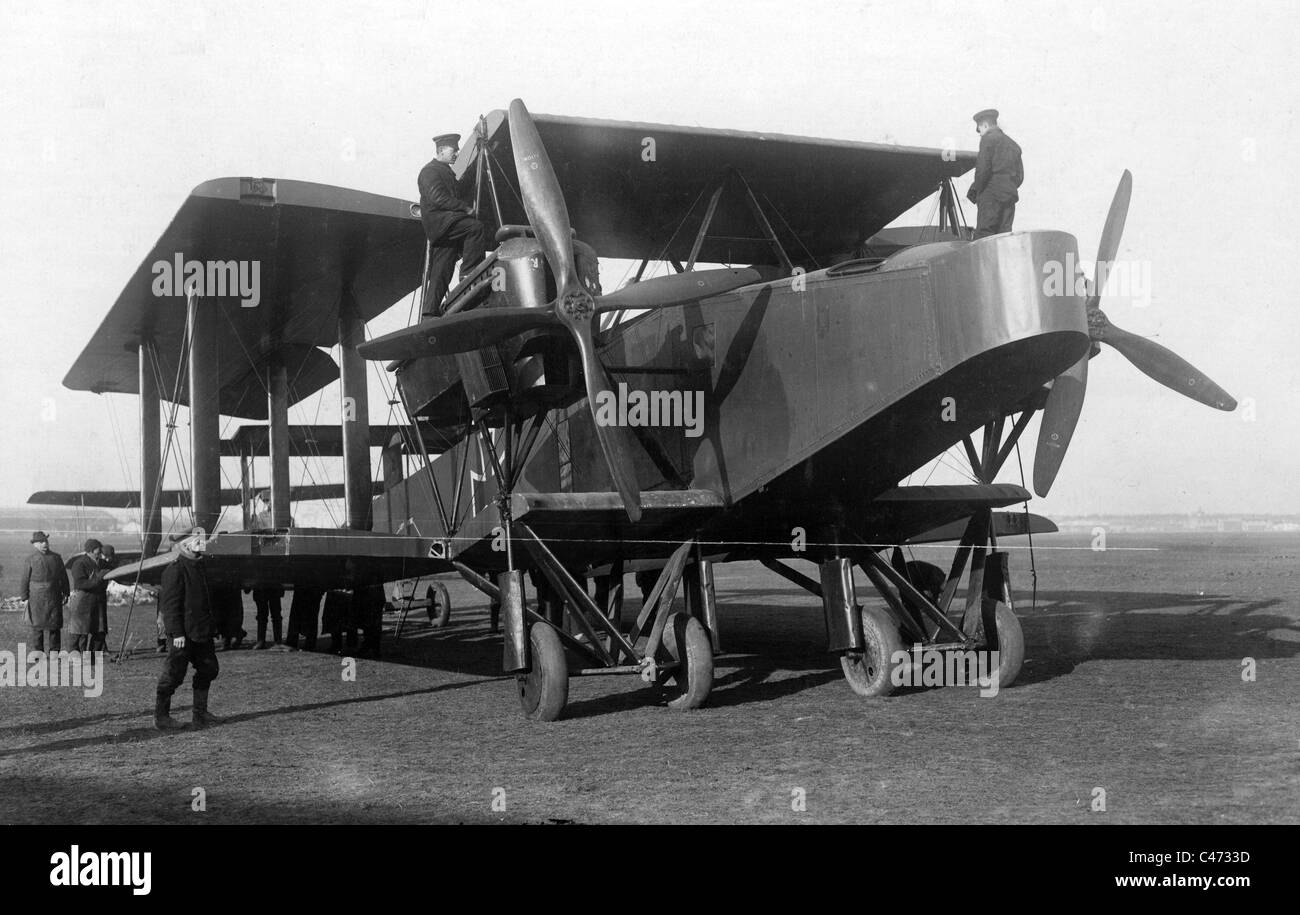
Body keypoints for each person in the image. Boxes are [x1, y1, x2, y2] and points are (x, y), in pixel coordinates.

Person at [155, 528, 222, 730]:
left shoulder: (201, 567)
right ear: (185, 544)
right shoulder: (175, 570)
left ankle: (200, 714)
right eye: (197, 541)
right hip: (182, 635)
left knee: (209, 669)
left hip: (201, 632)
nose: (201, 544)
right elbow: (170, 606)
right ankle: (161, 717)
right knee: (173, 674)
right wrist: (177, 633)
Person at [418, 132, 488, 315]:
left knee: (442, 270)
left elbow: (455, 190)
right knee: (475, 228)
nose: (456, 152)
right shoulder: (430, 171)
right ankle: (469, 275)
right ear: (441, 151)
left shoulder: (444, 172)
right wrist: (465, 209)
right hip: (442, 223)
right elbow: (438, 198)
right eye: (453, 150)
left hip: (442, 226)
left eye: (457, 149)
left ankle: (429, 313)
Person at [966, 109, 1023, 239]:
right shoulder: (1014, 145)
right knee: (1004, 237)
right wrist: (1007, 185)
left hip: (990, 196)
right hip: (1009, 195)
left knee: (985, 235)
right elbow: (1020, 177)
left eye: (979, 130)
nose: (980, 134)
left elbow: (982, 170)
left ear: (985, 125)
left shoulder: (988, 139)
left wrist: (975, 189)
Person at [20, 531, 68, 652]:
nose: (44, 544)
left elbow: (63, 576)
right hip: (36, 597)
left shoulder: (57, 558)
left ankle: (54, 652)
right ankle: (38, 653)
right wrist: (24, 596)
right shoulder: (30, 559)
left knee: (55, 626)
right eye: (40, 542)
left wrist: (66, 592)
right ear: (35, 545)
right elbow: (25, 578)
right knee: (37, 627)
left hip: (54, 595)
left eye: (45, 541)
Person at [65, 539, 109, 655]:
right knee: (79, 630)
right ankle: (75, 654)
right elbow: (80, 584)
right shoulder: (79, 563)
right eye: (98, 548)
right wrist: (99, 578)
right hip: (83, 600)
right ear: (91, 550)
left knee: (99, 629)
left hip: (98, 600)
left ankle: (93, 654)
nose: (100, 551)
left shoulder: (102, 563)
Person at [250, 585, 285, 649]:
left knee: (276, 613)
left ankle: (278, 641)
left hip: (274, 584)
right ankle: (261, 640)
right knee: (261, 614)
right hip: (260, 586)